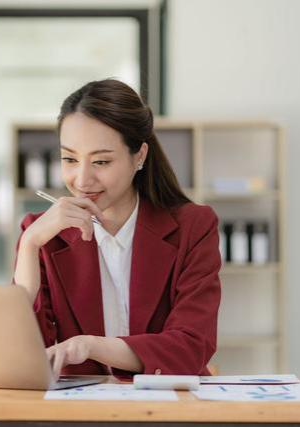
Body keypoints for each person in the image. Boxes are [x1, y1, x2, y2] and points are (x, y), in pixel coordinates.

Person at [13, 78, 221, 379]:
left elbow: (190, 347)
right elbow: (23, 353)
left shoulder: (194, 227)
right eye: (69, 159)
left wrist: (90, 346)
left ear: (139, 156)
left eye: (101, 161)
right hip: (82, 410)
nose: (82, 180)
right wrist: (30, 245)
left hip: (169, 408)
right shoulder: (42, 233)